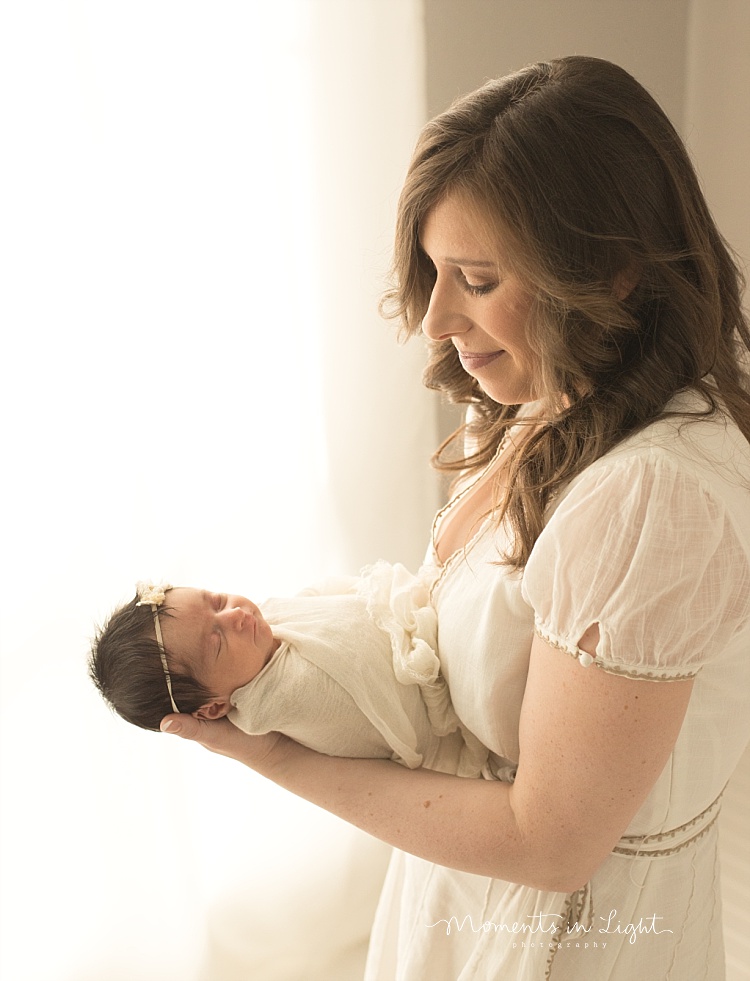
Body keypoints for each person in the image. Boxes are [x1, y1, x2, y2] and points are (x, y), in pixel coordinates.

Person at [158, 55, 750, 979]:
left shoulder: (651, 499)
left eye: (475, 280)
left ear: (616, 273)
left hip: (569, 941)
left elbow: (551, 842)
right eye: (435, 271)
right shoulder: (540, 397)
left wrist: (268, 753)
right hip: (460, 894)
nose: (435, 318)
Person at [89, 565, 489, 776]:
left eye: (216, 600)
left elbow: (323, 605)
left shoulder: (262, 635)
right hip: (445, 697)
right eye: (217, 641)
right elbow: (357, 656)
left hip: (430, 635)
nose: (236, 615)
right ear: (212, 708)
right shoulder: (277, 701)